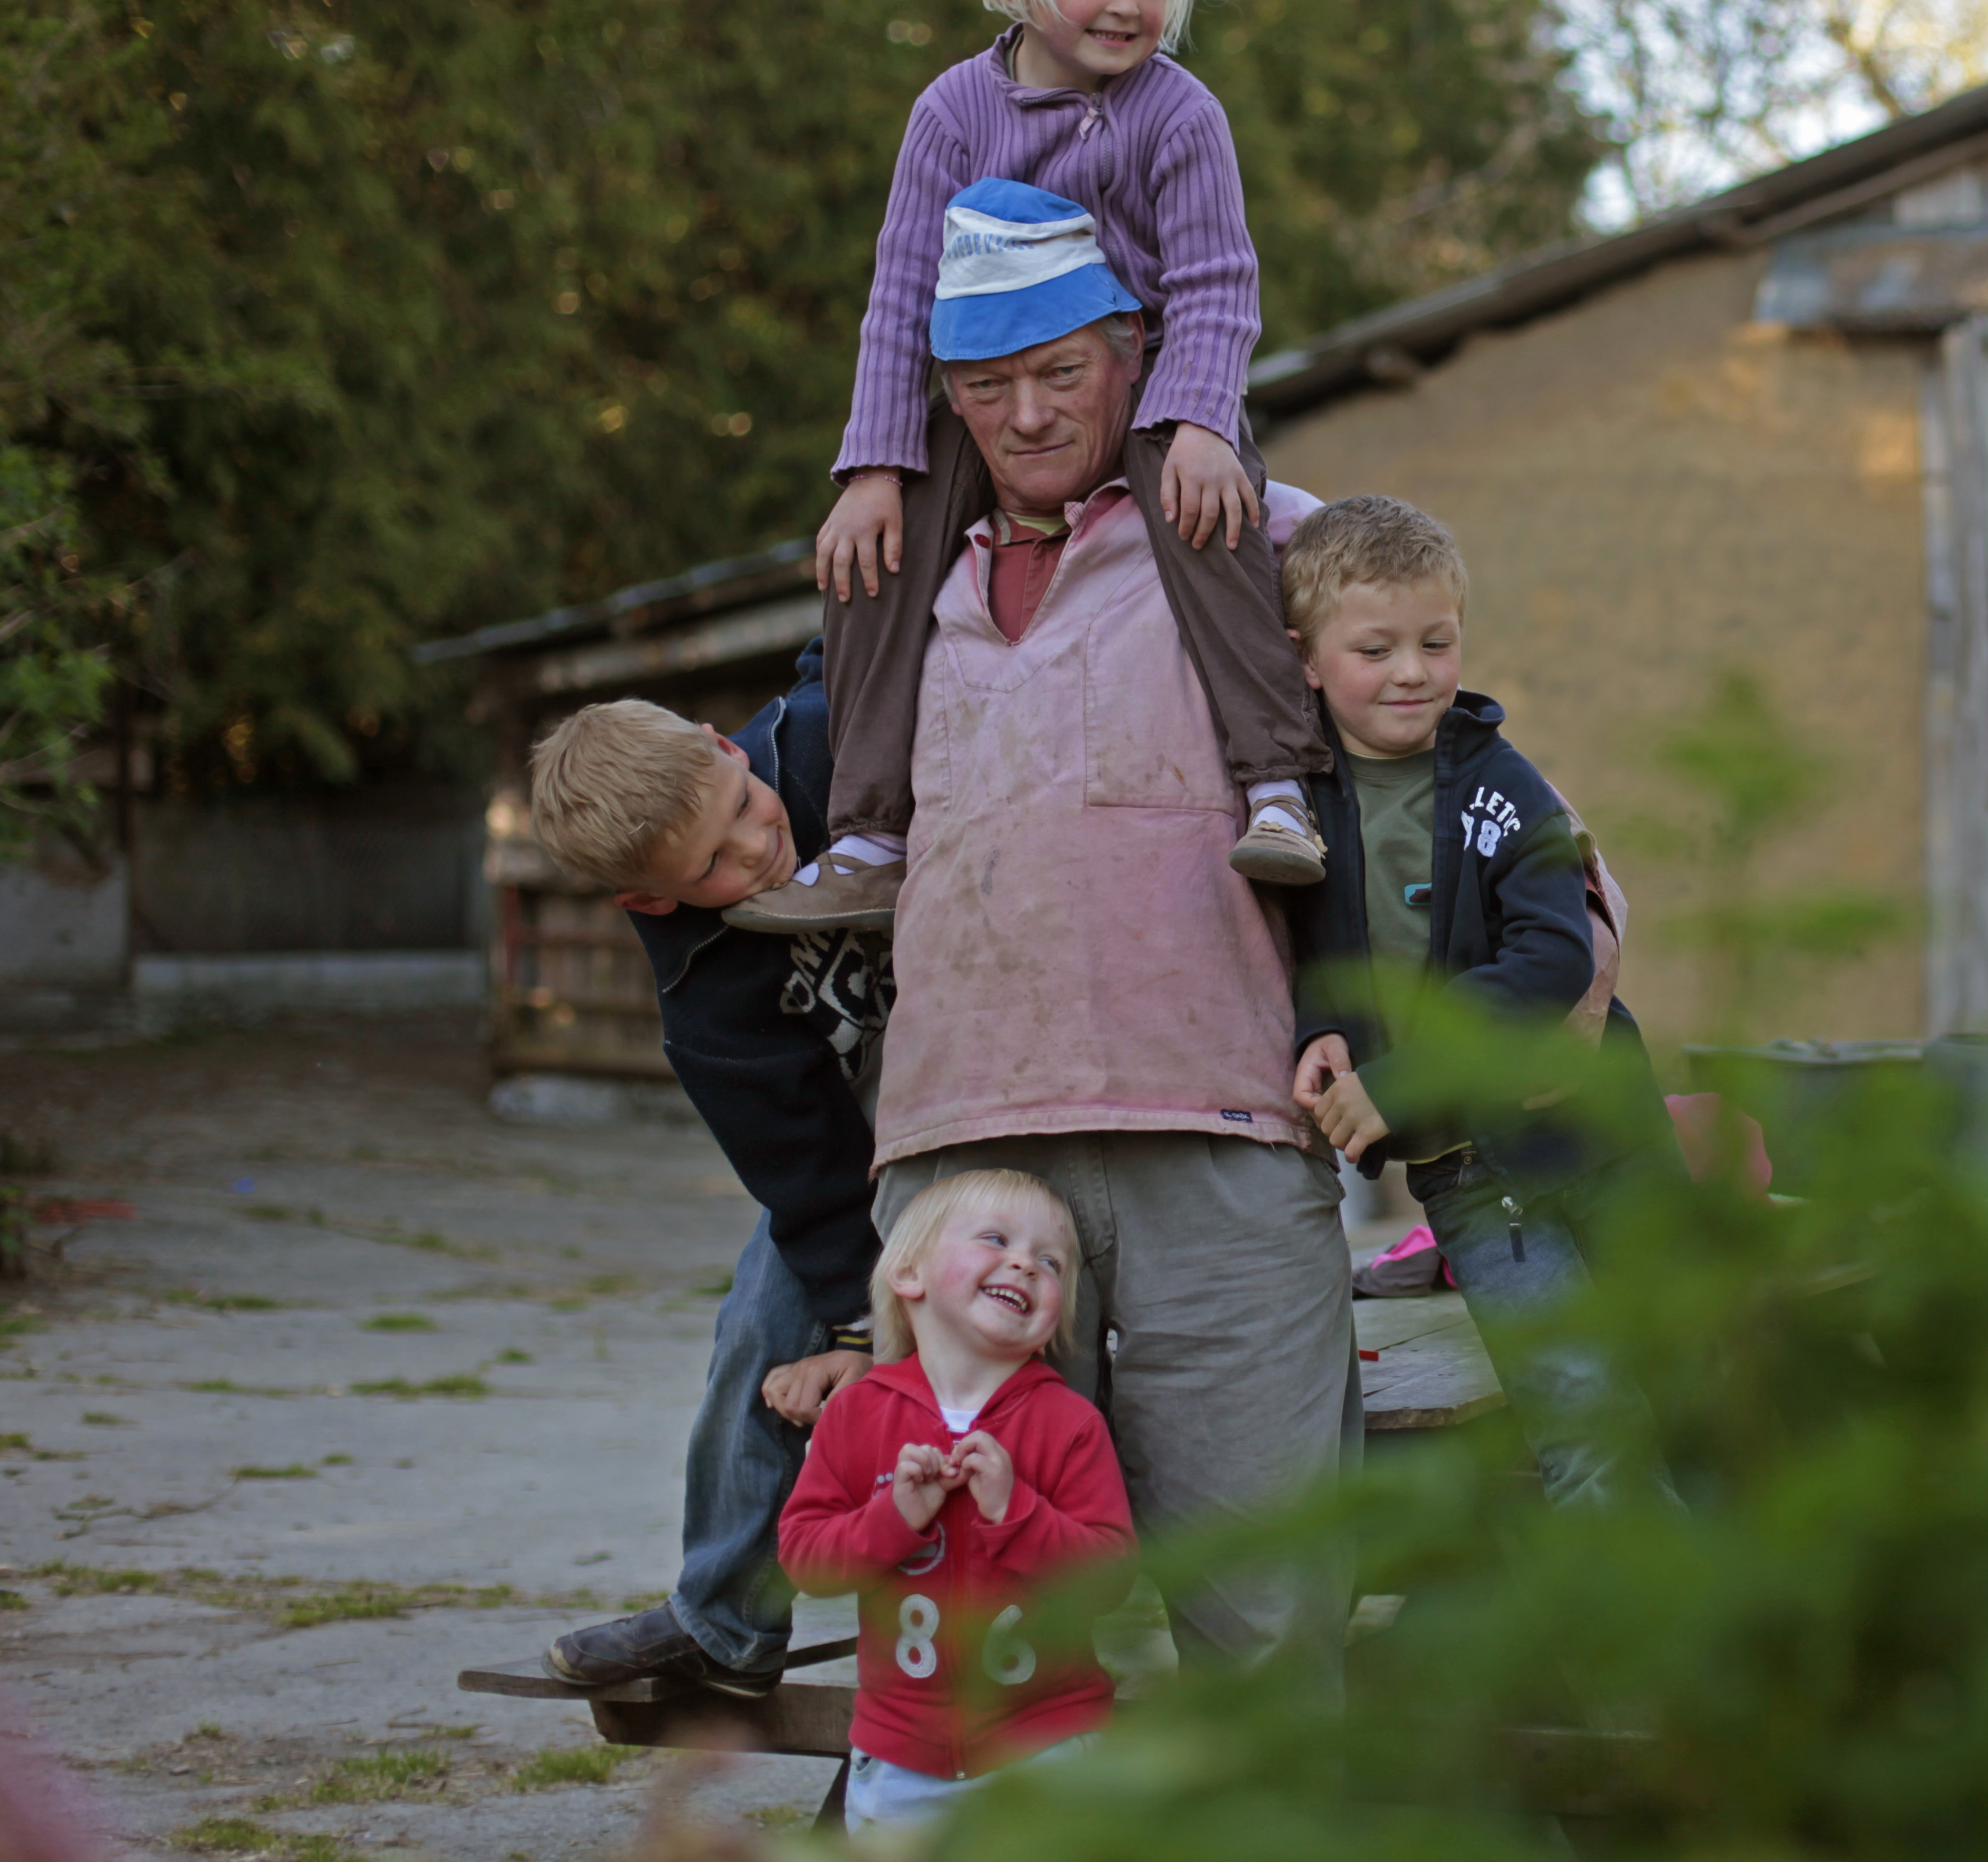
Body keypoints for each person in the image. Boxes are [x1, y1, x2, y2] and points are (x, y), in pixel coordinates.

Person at [869, 183, 1361, 1682]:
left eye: (1061, 374)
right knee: (974, 1619)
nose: (1023, 416)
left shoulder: (1256, 540)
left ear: (1138, 354)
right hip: (965, 1153)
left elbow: (1444, 764)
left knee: (1263, 1605)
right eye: (983, 386)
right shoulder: (896, 590)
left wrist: (1569, 927)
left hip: (1221, 1130)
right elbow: (772, 818)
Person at [733, 0, 1326, 936]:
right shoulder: (954, 113)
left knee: (1212, 511)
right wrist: (870, 465)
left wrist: (1199, 418)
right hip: (995, 383)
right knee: (878, 540)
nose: (1125, 3)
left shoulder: (1178, 112)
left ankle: (1277, 782)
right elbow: (900, 292)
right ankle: (869, 830)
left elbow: (1216, 281)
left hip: (1145, 376)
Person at [1280, 495, 1669, 1507]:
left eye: (1435, 641)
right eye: (1375, 646)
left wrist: (1396, 1082)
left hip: (1599, 1137)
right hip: (1471, 1180)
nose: (1412, 670)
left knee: (1688, 1391)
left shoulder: (1502, 787)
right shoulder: (1292, 807)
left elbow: (1551, 956)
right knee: (1583, 1420)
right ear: (1306, 658)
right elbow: (1305, 959)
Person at [520, 650, 889, 1695]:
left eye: (744, 804)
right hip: (865, 1148)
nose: (759, 842)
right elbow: (807, 1174)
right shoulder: (707, 998)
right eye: (716, 864)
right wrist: (857, 1320)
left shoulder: (829, 738)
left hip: (1008, 1072)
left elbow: (887, 646)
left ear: (732, 746)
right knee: (759, 1329)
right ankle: (727, 1621)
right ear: (652, 898)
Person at [780, 1168, 1134, 1831]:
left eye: (1051, 1262)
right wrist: (894, 1521)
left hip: (1049, 1746)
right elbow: (805, 1559)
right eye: (996, 1239)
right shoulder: (858, 1413)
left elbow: (1110, 1579)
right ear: (908, 1275)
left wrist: (1018, 1513)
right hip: (900, 1758)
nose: (1025, 1263)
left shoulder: (1068, 1422)